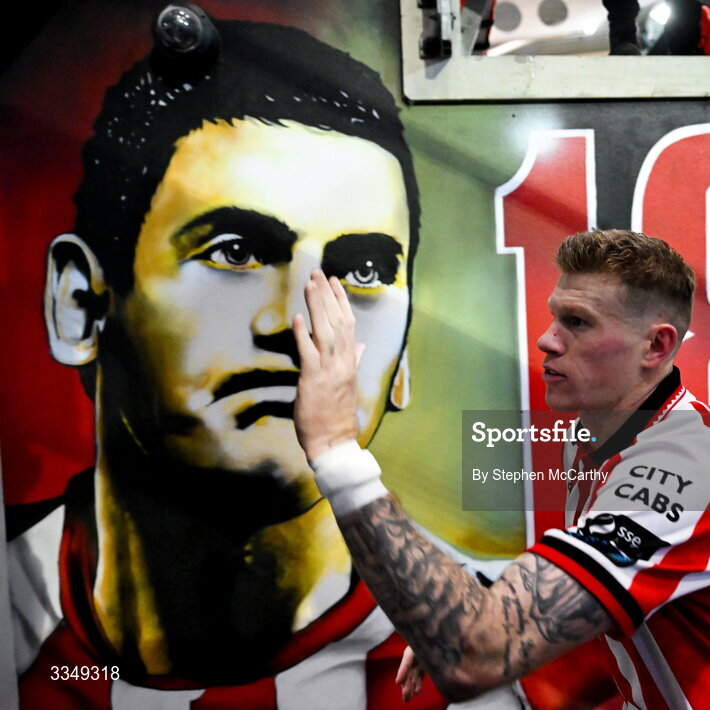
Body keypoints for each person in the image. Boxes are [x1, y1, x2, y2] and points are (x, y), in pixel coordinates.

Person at [7, 11, 514, 708]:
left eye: (361, 271)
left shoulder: (500, 661)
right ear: (81, 305)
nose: (299, 323)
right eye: (236, 253)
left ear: (402, 357)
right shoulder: (15, 613)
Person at [295, 229, 710, 708]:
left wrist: (336, 449)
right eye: (555, 316)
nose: (548, 340)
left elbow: (475, 652)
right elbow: (583, 576)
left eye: (578, 323)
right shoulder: (602, 433)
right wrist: (461, 597)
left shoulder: (685, 464)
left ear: (657, 345)